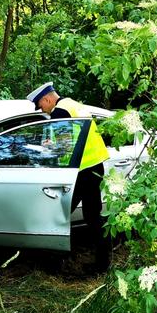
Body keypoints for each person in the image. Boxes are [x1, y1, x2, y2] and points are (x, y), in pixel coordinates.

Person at [26, 82, 111, 272]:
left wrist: (45, 149)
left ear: (47, 99)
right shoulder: (73, 104)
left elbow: (64, 147)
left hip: (82, 171)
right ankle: (102, 264)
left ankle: (55, 264)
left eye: (41, 106)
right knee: (92, 216)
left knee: (56, 214)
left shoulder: (60, 112)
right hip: (94, 165)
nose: (44, 111)